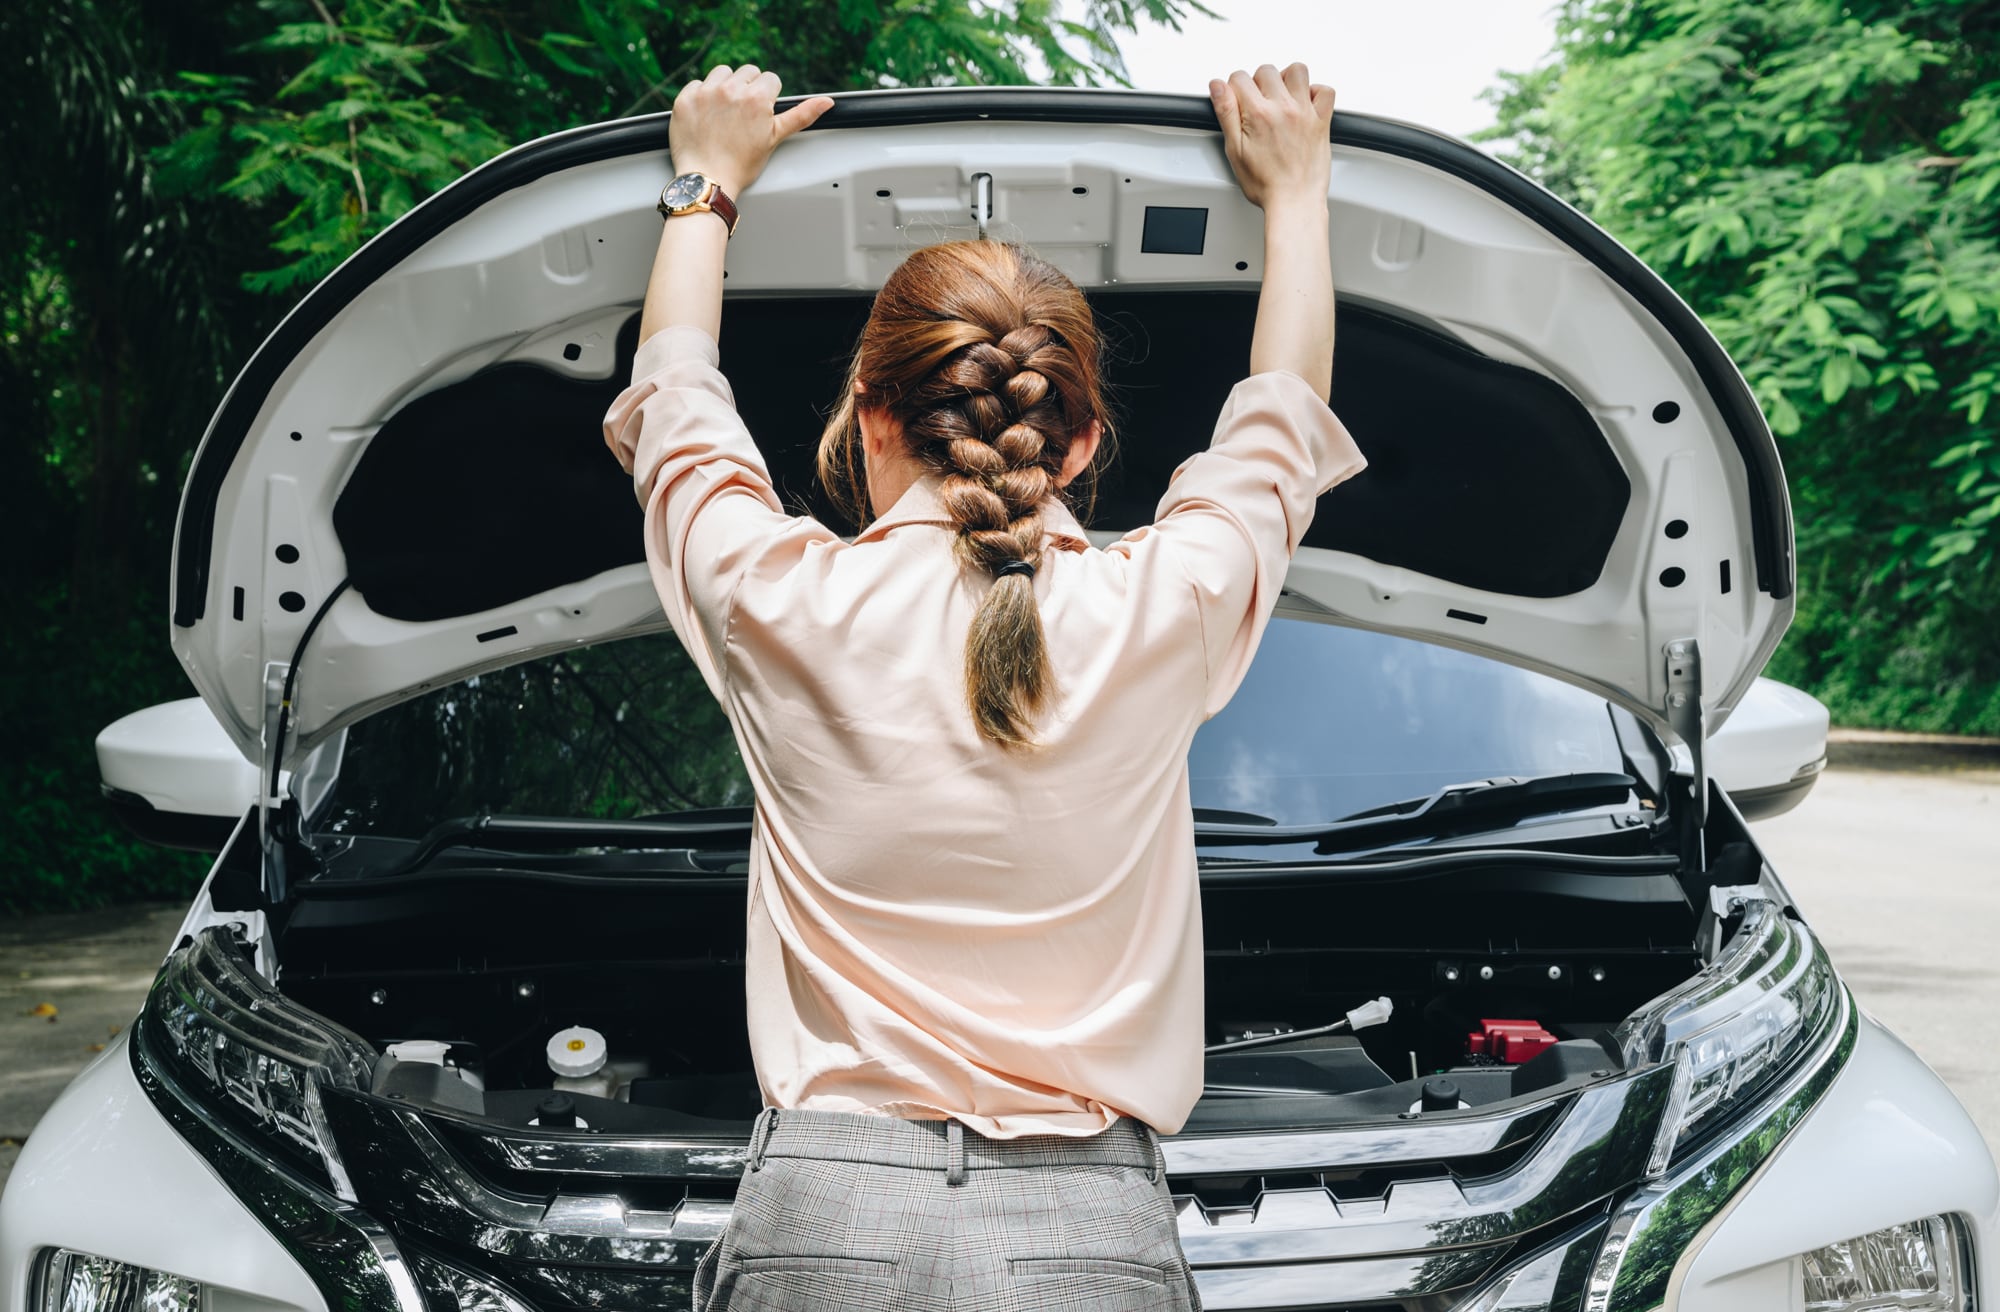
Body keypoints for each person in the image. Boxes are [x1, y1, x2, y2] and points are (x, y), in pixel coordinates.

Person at [602, 59, 1363, 1312]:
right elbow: (1278, 418)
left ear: (869, 410)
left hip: (821, 1224)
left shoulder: (773, 597)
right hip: (1086, 1237)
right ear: (1078, 439)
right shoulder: (1157, 606)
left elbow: (676, 399)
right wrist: (1295, 195)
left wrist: (705, 187)